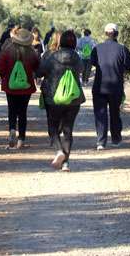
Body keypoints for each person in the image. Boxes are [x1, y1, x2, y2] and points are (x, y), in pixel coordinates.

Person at [36, 29, 85, 172]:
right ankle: (66, 164)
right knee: (68, 130)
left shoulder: (52, 57)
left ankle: (59, 151)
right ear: (74, 43)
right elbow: (81, 70)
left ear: (61, 41)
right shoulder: (77, 58)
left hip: (53, 98)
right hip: (73, 99)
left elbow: (40, 72)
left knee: (53, 128)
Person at [91, 23, 130, 150]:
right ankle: (116, 139)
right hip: (116, 87)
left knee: (100, 114)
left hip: (99, 87)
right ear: (117, 34)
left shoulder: (97, 48)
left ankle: (101, 142)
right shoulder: (122, 49)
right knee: (115, 113)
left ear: (105, 34)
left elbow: (93, 62)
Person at [0, 28, 40, 149]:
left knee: (12, 110)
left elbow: (0, 68)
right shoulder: (32, 53)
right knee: (22, 113)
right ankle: (21, 140)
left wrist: (4, 77)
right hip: (26, 88)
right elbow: (37, 67)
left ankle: (11, 130)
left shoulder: (7, 51)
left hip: (10, 87)